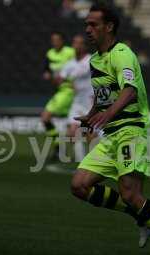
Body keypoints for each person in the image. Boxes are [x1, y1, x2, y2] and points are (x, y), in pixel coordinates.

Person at [71, 3, 150, 255]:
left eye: (93, 24)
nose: (87, 29)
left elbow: (129, 91)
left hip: (131, 129)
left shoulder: (122, 53)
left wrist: (107, 115)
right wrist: (91, 116)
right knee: (79, 185)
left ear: (109, 27)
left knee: (131, 193)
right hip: (111, 134)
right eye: (86, 24)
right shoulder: (95, 60)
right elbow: (102, 97)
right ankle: (138, 215)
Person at [51, 34, 94, 163]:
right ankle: (82, 163)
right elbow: (59, 80)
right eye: (75, 42)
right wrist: (57, 78)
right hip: (77, 102)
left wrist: (66, 78)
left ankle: (95, 160)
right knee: (72, 133)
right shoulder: (69, 63)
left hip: (90, 102)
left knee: (90, 135)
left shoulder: (90, 60)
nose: (77, 45)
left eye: (80, 43)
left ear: (85, 46)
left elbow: (77, 73)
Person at [41, 32, 75, 161]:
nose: (55, 42)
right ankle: (61, 150)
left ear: (62, 41)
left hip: (68, 90)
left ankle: (60, 149)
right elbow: (46, 69)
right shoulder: (50, 54)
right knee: (70, 125)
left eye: (57, 40)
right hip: (60, 90)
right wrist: (47, 74)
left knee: (45, 117)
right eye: (53, 40)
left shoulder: (70, 52)